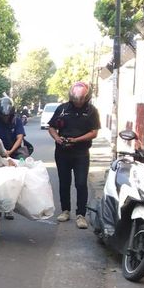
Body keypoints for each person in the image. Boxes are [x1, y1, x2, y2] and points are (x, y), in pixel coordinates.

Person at [47, 81, 101, 229]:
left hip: (81, 153)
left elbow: (94, 132)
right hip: (62, 152)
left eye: (81, 101)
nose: (78, 104)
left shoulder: (92, 111)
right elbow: (51, 127)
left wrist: (76, 140)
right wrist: (57, 138)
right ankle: (65, 210)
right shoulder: (62, 109)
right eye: (75, 101)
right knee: (64, 182)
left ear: (86, 98)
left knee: (81, 183)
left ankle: (81, 214)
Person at [0, 96, 26, 220]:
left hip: (14, 153)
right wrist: (1, 153)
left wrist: (10, 151)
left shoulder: (17, 121)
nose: (5, 118)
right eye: (3, 116)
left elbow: (20, 138)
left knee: (14, 180)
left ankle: (9, 209)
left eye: (7, 116)